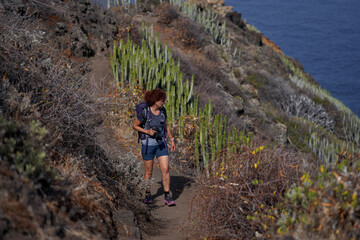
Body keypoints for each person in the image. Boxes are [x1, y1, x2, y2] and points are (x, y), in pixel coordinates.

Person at [132, 88, 176, 206]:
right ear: (156, 100)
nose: (163, 102)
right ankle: (147, 194)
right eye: (162, 100)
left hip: (161, 144)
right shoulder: (145, 112)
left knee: (165, 169)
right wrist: (147, 131)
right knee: (149, 171)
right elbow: (135, 125)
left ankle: (167, 196)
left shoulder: (163, 111)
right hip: (148, 145)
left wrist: (171, 140)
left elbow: (166, 126)